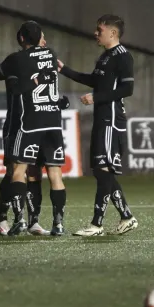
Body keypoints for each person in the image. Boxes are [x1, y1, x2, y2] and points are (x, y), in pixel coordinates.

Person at [58, 14, 138, 236]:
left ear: (112, 33)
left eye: (99, 30)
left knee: (103, 171)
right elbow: (94, 80)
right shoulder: (105, 57)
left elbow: (127, 90)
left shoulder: (123, 57)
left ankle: (96, 225)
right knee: (102, 172)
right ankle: (127, 217)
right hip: (102, 119)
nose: (95, 33)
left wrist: (96, 98)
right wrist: (64, 69)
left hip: (112, 121)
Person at [0, 21, 68, 236]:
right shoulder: (48, 55)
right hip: (19, 122)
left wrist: (14, 74)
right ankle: (3, 218)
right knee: (14, 171)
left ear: (21, 38)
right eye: (43, 37)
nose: (45, 41)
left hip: (29, 122)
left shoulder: (16, 60)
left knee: (27, 171)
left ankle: (30, 220)